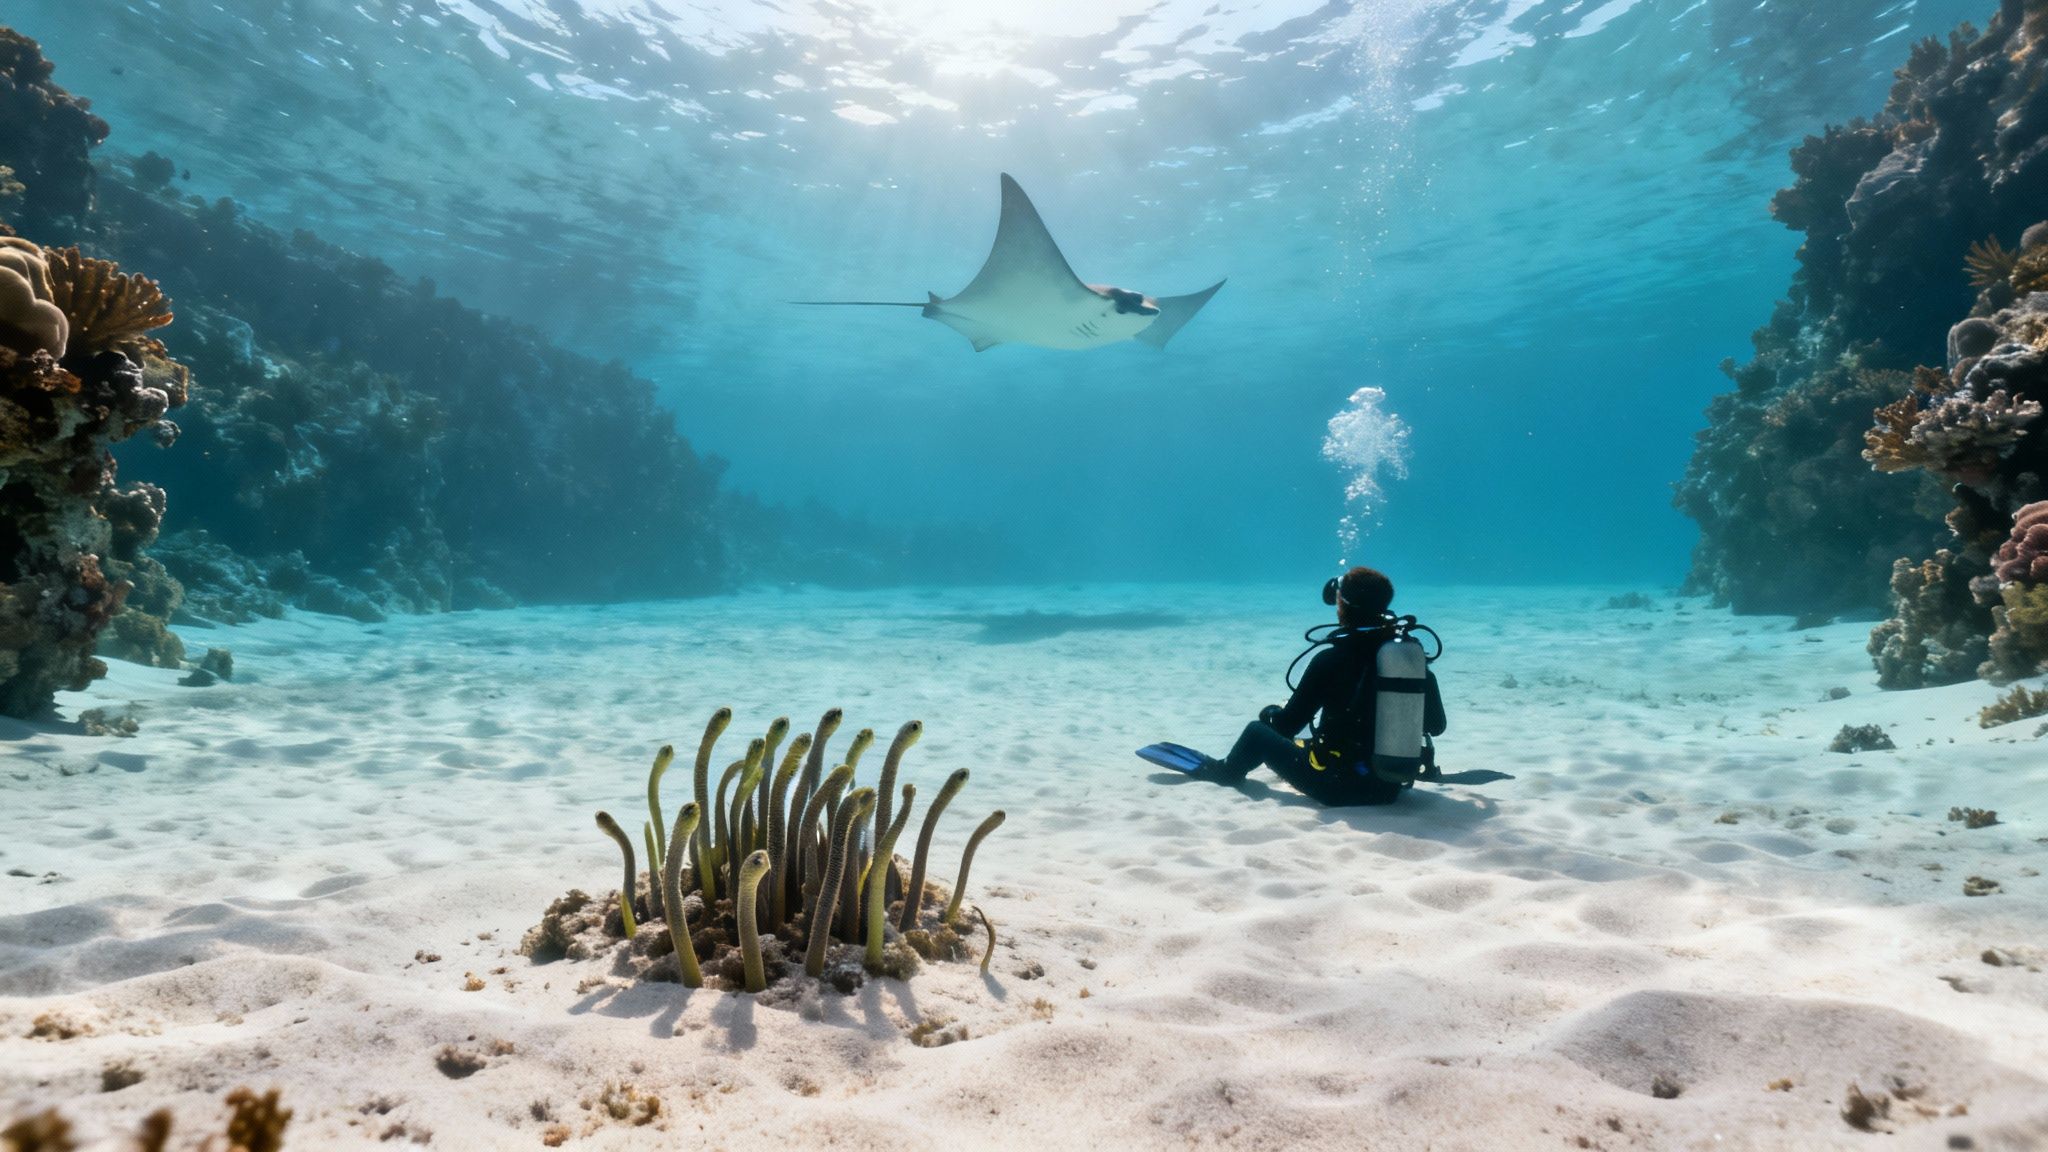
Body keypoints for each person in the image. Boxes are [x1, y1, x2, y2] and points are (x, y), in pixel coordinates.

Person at [1193, 566, 1446, 806]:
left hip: (1336, 787)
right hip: (1389, 787)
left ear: (1342, 606)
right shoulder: (1408, 658)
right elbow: (1436, 725)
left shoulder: (1331, 659)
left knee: (1256, 732)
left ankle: (1226, 772)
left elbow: (1286, 725)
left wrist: (1270, 714)